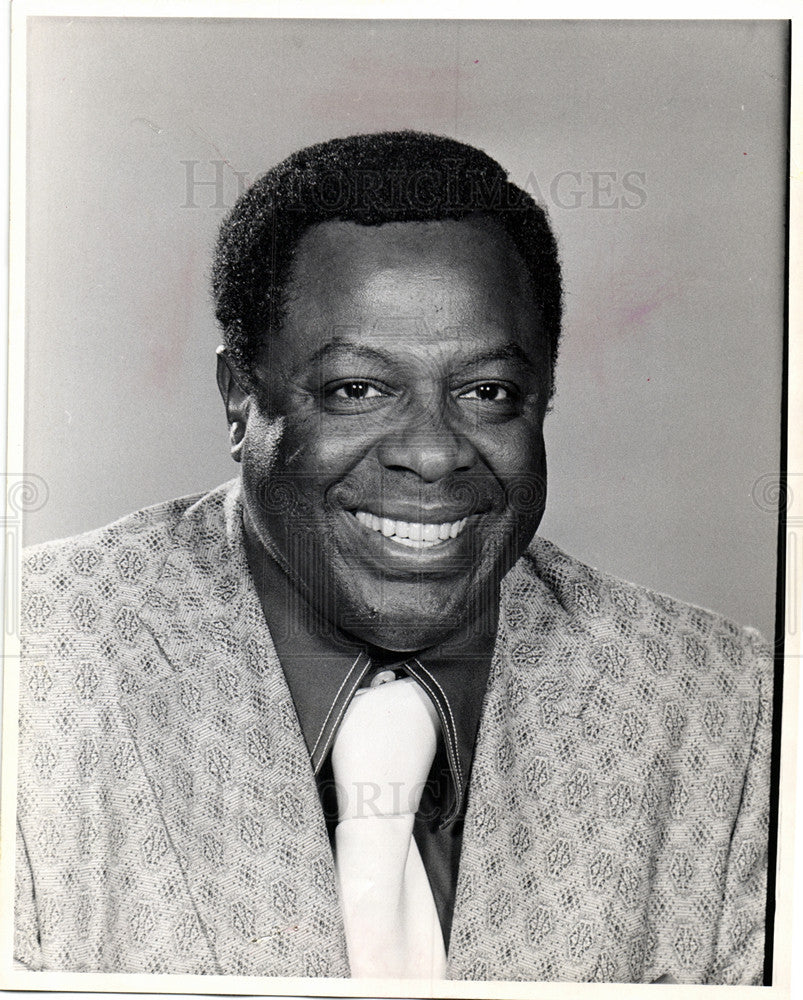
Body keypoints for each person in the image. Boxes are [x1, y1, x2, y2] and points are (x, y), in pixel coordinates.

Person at [15, 131, 771, 984]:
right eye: (357, 390)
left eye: (487, 393)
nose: (434, 452)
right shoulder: (38, 664)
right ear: (239, 396)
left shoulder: (730, 713)